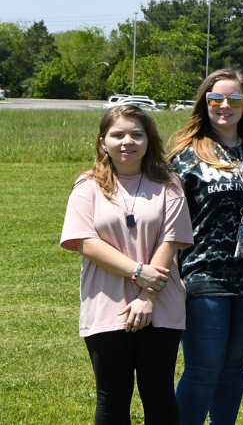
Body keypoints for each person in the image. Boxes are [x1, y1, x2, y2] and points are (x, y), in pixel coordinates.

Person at [60, 105, 193, 425]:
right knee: (112, 395)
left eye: (136, 134)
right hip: (106, 305)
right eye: (117, 134)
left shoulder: (169, 184)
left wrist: (148, 297)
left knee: (158, 393)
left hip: (161, 304)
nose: (127, 142)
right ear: (102, 142)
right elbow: (85, 242)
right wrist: (138, 271)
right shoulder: (87, 186)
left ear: (149, 140)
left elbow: (171, 241)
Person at [168, 69, 243, 425]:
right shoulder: (185, 156)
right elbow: (167, 221)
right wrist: (171, 274)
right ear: (204, 102)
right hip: (203, 275)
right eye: (216, 98)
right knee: (203, 367)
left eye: (235, 99)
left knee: (233, 368)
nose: (225, 106)